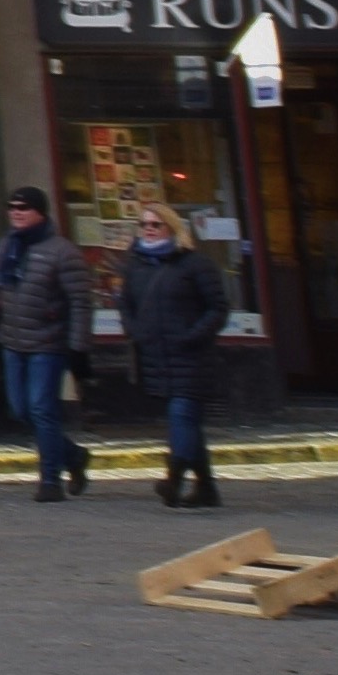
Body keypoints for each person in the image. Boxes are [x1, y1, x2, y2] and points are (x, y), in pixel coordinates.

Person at [121, 202, 231, 511]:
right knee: (188, 423)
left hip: (191, 356)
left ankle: (175, 475)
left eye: (156, 225)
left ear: (172, 228)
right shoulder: (135, 266)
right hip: (156, 356)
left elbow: (217, 308)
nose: (149, 230)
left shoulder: (195, 264)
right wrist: (135, 330)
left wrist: (192, 335)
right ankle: (206, 488)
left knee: (181, 415)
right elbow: (126, 304)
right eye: (144, 225)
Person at [0, 183, 86, 499]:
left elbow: (80, 301)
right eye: (12, 207)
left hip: (48, 343)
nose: (16, 213)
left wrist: (78, 346)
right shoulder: (6, 247)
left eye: (23, 208)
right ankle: (73, 455)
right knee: (21, 409)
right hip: (13, 341)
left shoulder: (62, 251)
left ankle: (50, 480)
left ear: (40, 213)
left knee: (42, 408)